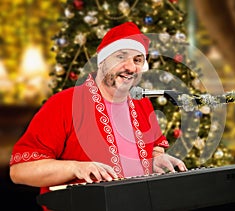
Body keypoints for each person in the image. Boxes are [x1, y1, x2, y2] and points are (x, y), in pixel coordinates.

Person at [9, 22, 187, 208]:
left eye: (137, 60)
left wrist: (156, 158)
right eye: (120, 57)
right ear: (102, 61)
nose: (130, 67)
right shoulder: (63, 104)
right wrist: (76, 168)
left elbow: (154, 147)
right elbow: (20, 171)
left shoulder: (142, 103)